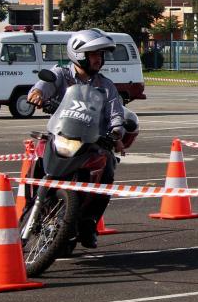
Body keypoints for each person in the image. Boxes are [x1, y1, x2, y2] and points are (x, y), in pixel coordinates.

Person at [27, 28, 126, 248]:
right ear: (78, 53)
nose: (98, 59)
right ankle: (31, 202)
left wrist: (117, 132)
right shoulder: (61, 74)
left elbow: (115, 114)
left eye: (100, 55)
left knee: (108, 164)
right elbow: (43, 85)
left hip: (89, 143)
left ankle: (89, 221)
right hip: (60, 135)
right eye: (93, 54)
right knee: (37, 156)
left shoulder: (106, 86)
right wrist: (38, 94)